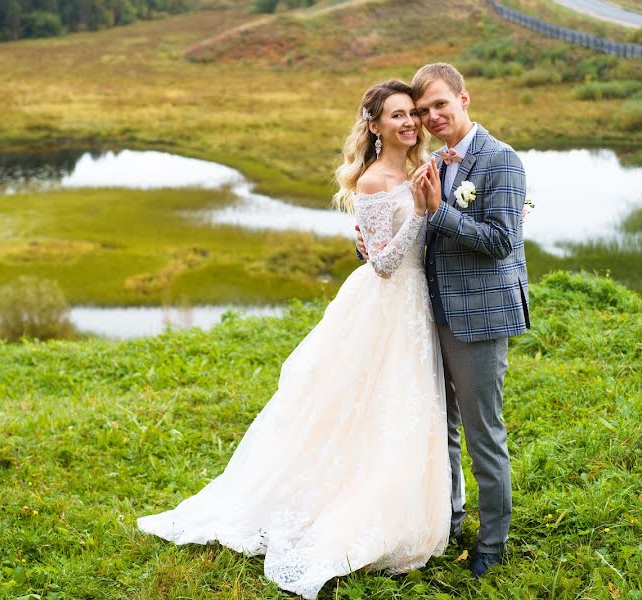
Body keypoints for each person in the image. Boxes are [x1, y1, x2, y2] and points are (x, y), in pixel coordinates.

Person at [138, 79, 450, 599]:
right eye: (397, 115)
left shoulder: (424, 168)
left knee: (407, 408)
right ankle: (347, 511)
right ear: (374, 126)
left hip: (416, 305)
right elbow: (384, 262)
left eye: (411, 113)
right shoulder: (373, 182)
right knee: (364, 409)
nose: (409, 123)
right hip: (384, 307)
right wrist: (420, 213)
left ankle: (405, 511)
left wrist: (431, 208)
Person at [357, 62, 530, 578]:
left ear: (464, 100)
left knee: (484, 436)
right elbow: (404, 225)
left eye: (439, 106)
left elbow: (502, 242)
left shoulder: (501, 160)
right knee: (441, 428)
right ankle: (448, 520)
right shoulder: (431, 160)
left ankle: (492, 545)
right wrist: (365, 241)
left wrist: (439, 212)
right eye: (422, 109)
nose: (430, 117)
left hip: (476, 316)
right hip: (427, 312)